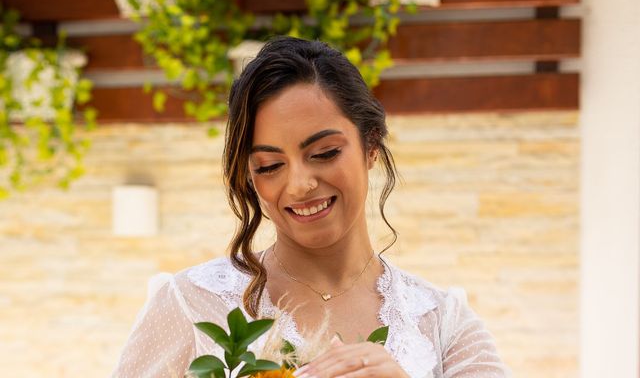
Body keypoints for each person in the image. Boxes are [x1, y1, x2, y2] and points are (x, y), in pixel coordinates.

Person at [111, 37, 510, 378]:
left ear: (371, 146)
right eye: (269, 166)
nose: (300, 184)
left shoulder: (441, 321)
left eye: (324, 152)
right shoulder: (189, 304)